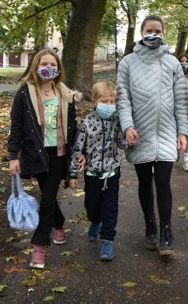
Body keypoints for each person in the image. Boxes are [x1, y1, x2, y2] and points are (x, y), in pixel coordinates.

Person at [116, 15, 188, 258]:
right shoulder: (127, 63)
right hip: (140, 133)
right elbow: (122, 99)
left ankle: (167, 230)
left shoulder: (172, 64)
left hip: (167, 133)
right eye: (149, 30)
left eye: (157, 30)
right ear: (141, 32)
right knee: (145, 182)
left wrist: (182, 132)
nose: (153, 34)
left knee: (163, 182)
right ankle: (150, 225)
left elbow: (181, 101)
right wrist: (127, 126)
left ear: (163, 33)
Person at [7, 48, 82, 269]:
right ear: (36, 67)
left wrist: (79, 154)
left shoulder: (65, 94)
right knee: (48, 196)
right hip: (35, 155)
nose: (47, 68)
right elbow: (17, 126)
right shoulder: (24, 93)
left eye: (52, 64)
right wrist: (13, 156)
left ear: (58, 68)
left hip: (59, 154)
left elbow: (73, 128)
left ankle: (39, 248)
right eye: (43, 64)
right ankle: (58, 224)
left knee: (47, 199)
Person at [68, 81, 128, 261]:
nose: (109, 105)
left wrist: (130, 141)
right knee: (92, 206)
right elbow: (78, 149)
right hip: (92, 174)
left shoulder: (116, 120)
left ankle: (107, 241)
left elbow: (120, 142)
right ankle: (95, 221)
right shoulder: (87, 121)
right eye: (104, 101)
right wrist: (72, 174)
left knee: (110, 209)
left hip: (112, 173)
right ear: (95, 101)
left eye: (112, 101)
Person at [178, 53, 188, 172]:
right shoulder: (174, 77)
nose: (184, 64)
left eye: (186, 61)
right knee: (176, 135)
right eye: (181, 61)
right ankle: (176, 151)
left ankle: (186, 160)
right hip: (177, 110)